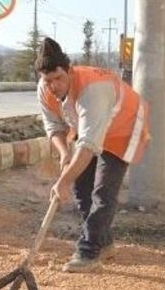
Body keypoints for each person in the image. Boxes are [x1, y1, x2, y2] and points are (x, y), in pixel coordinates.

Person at [36, 37, 150, 272]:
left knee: (103, 191)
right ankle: (104, 242)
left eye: (59, 78)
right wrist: (64, 153)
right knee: (81, 188)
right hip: (90, 128)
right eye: (48, 80)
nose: (54, 85)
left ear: (69, 71)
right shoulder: (45, 90)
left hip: (123, 127)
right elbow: (54, 128)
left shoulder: (93, 90)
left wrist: (63, 180)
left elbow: (88, 145)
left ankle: (88, 252)